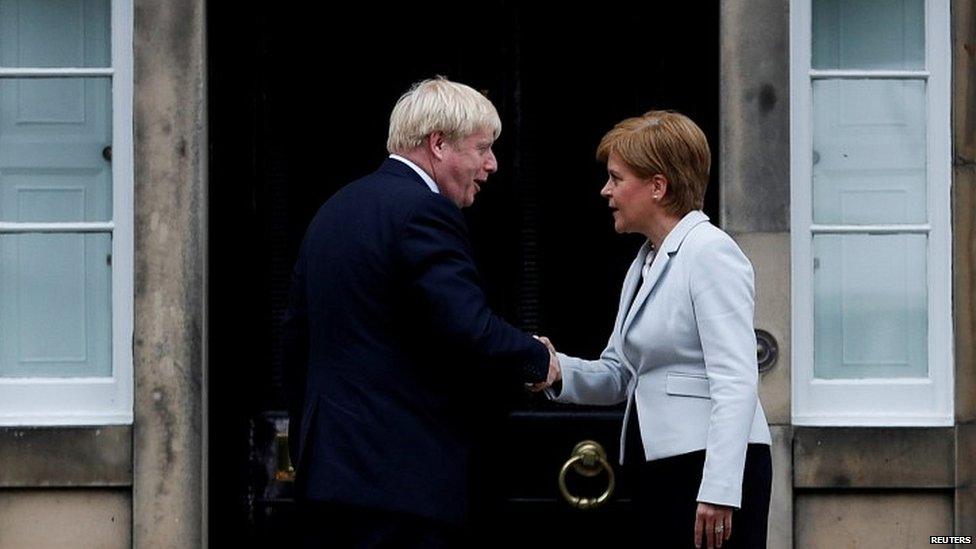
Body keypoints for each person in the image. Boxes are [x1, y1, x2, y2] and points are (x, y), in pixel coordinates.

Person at [283, 76, 557, 548]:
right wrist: (535, 357)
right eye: (482, 148)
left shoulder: (334, 209)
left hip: (328, 479)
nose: (491, 165)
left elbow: (295, 343)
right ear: (438, 144)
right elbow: (466, 325)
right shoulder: (424, 212)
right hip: (401, 485)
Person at [539, 110, 772, 548]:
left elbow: (736, 378)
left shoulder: (709, 252)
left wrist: (720, 489)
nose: (606, 190)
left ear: (658, 186)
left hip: (707, 469)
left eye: (616, 177)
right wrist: (555, 370)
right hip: (659, 466)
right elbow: (620, 374)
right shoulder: (647, 260)